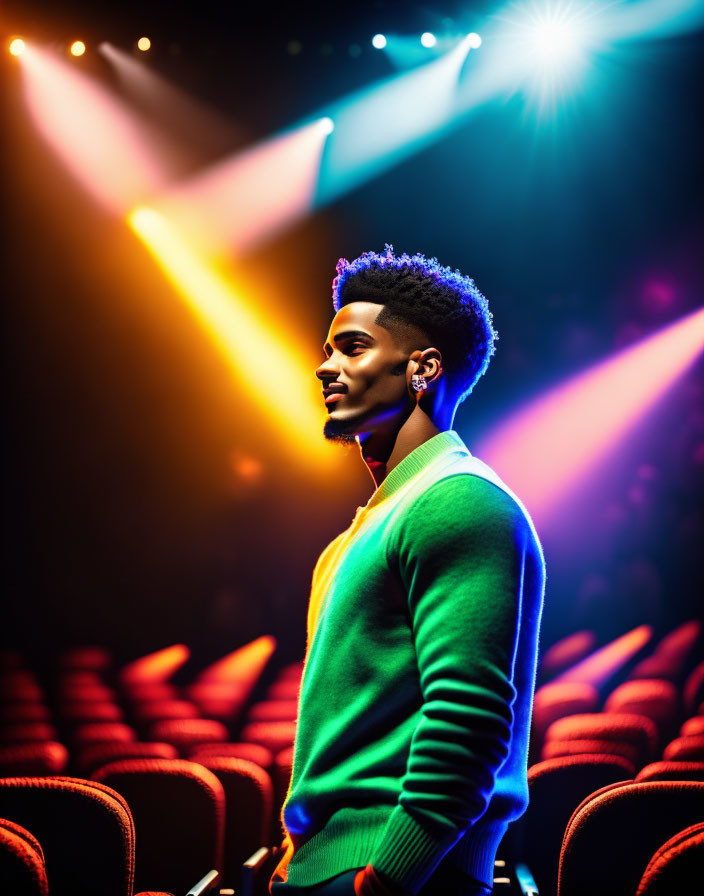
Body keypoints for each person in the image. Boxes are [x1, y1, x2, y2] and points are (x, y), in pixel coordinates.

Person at [270, 245, 546, 896]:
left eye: (352, 347)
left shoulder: (458, 500)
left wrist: (388, 878)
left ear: (422, 369)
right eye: (328, 348)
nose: (323, 367)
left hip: (402, 880)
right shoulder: (351, 539)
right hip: (322, 872)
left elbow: (469, 721)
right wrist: (296, 858)